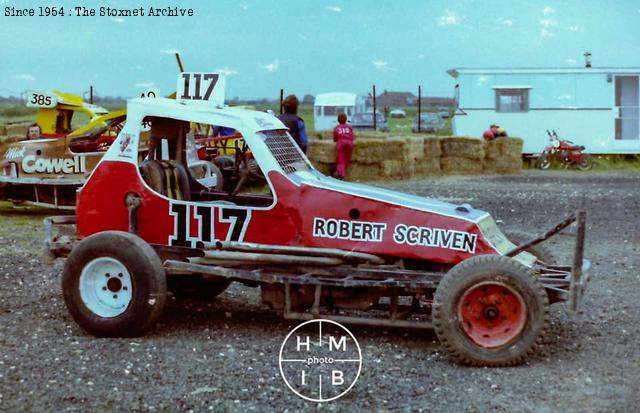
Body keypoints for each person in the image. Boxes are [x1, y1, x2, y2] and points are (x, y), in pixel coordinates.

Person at [333, 113, 354, 180]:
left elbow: (335, 138)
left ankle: (341, 174)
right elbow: (352, 136)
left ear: (338, 120)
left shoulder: (336, 128)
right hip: (349, 143)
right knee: (347, 158)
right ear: (346, 119)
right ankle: (343, 172)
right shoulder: (350, 127)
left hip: (341, 143)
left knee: (340, 159)